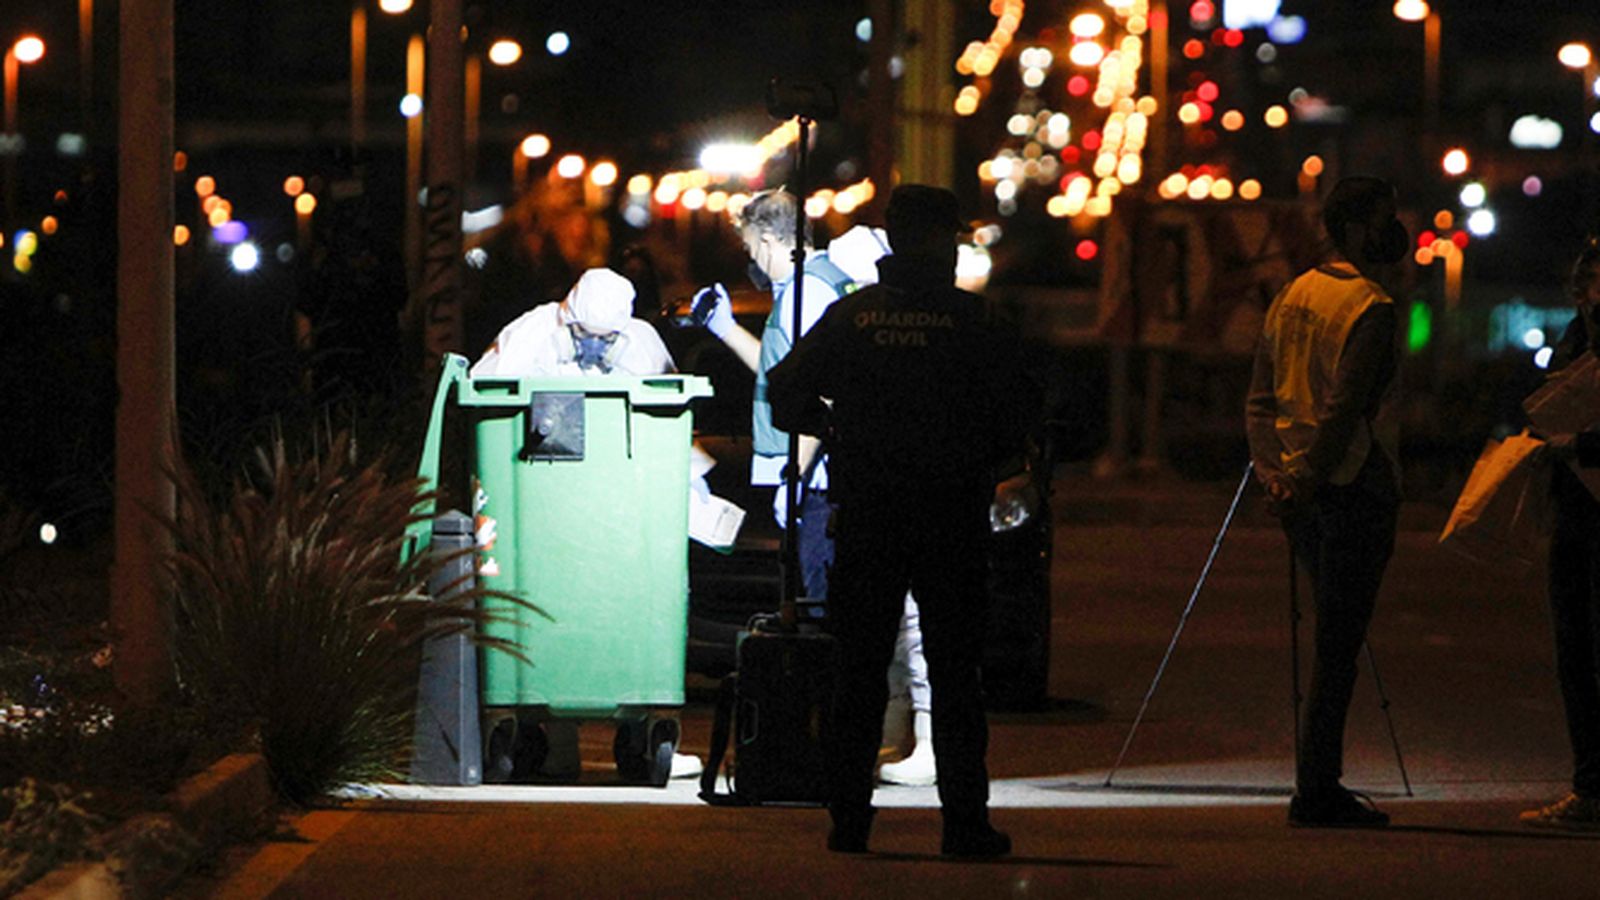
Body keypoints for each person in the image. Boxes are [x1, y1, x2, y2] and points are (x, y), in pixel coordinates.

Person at [768, 184, 1035, 857]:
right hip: (951, 517)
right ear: (942, 241)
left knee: (857, 673)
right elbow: (1022, 411)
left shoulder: (853, 317)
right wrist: (988, 456)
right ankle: (965, 826)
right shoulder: (976, 321)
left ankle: (849, 822)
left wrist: (833, 428)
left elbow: (785, 390)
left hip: (870, 514)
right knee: (955, 677)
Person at [1245, 175, 1410, 828]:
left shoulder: (1292, 294)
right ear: (1359, 228)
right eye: (1386, 219)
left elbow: (1260, 399)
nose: (1395, 232)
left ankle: (1317, 782)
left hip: (1298, 487)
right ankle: (1316, 788)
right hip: (1350, 486)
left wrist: (1275, 475)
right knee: (1338, 646)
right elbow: (1345, 411)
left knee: (1331, 635)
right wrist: (1309, 477)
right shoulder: (1371, 306)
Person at [691, 190, 857, 604]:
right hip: (818, 478)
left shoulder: (808, 294)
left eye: (750, 248)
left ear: (767, 240)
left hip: (818, 483)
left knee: (818, 603)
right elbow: (781, 372)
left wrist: (795, 476)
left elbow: (821, 393)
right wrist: (725, 329)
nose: (752, 262)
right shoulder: (811, 284)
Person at [1520, 239, 1600, 830]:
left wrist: (1581, 446)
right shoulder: (1576, 335)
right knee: (1575, 653)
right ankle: (1590, 786)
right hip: (1577, 510)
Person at [471, 267, 674, 378]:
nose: (594, 345)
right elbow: (489, 381)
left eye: (607, 338)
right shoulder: (534, 330)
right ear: (568, 320)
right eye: (583, 333)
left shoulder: (641, 340)